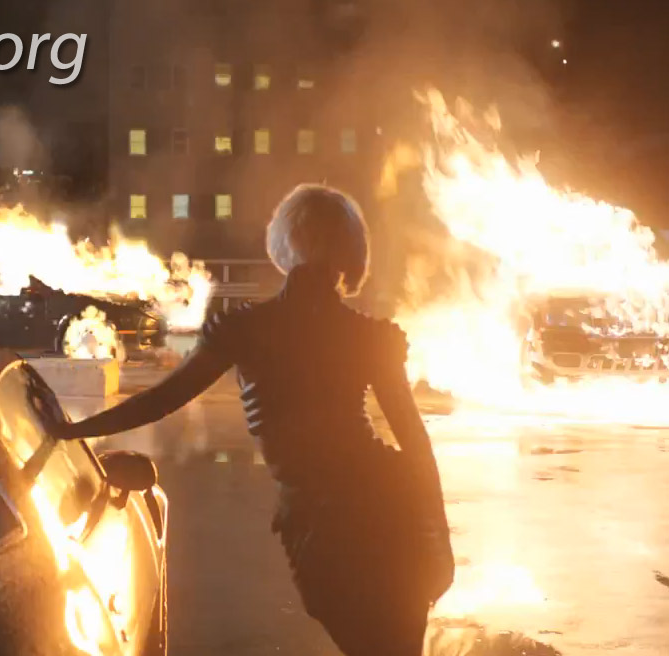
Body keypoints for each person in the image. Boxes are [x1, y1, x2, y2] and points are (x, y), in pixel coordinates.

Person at [51, 184, 455, 656]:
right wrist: (438, 540)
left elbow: (163, 399)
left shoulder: (248, 329)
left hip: (322, 525)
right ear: (350, 253)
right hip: (388, 515)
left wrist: (72, 430)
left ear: (286, 243)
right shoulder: (367, 336)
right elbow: (416, 445)